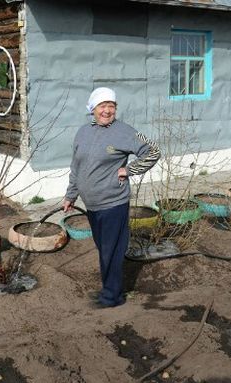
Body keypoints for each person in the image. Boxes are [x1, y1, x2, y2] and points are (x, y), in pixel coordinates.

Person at [63, 87, 161, 308]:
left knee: (111, 250)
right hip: (92, 205)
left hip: (113, 203)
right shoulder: (83, 132)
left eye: (111, 106)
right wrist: (70, 195)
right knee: (104, 249)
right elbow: (76, 167)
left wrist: (130, 170)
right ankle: (110, 290)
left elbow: (153, 151)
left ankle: (111, 297)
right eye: (102, 106)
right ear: (92, 109)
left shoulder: (125, 131)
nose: (107, 111)